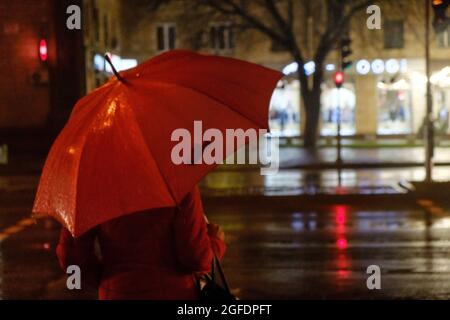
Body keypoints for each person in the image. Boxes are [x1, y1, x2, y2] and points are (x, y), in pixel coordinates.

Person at [56, 186, 226, 300]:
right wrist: (214, 241)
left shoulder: (91, 183)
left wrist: (109, 280)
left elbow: (72, 258)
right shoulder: (176, 182)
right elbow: (196, 258)